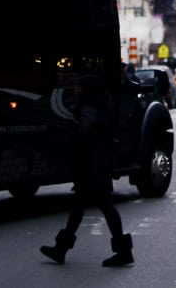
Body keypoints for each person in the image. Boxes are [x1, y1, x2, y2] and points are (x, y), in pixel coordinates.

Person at [40, 73, 133, 267]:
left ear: (88, 90)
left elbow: (83, 133)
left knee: (102, 204)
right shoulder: (101, 105)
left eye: (80, 87)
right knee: (80, 205)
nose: (76, 89)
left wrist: (69, 128)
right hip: (97, 162)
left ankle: (123, 252)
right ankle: (61, 249)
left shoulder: (88, 108)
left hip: (94, 164)